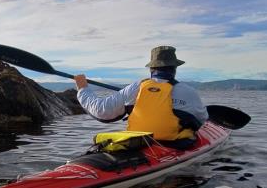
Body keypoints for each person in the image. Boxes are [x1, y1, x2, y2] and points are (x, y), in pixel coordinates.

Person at [74, 46, 208, 149]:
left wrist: (83, 89)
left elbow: (101, 111)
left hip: (137, 144)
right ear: (174, 68)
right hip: (173, 146)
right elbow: (202, 120)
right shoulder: (188, 91)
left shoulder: (135, 87)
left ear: (151, 69)